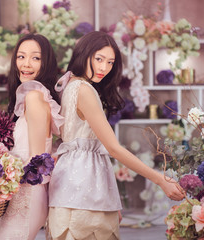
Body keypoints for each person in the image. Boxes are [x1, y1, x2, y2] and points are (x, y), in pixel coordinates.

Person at [48, 31, 185, 240]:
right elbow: (113, 148)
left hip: (71, 186)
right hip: (84, 191)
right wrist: (161, 180)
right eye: (99, 59)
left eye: (110, 62)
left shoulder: (68, 86)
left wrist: (110, 198)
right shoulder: (84, 90)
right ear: (83, 55)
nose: (104, 68)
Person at [0, 33, 63, 240]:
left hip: (26, 197)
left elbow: (37, 162)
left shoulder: (35, 96)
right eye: (21, 56)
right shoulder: (35, 96)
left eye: (36, 58)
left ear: (46, 63)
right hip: (21, 194)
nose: (26, 64)